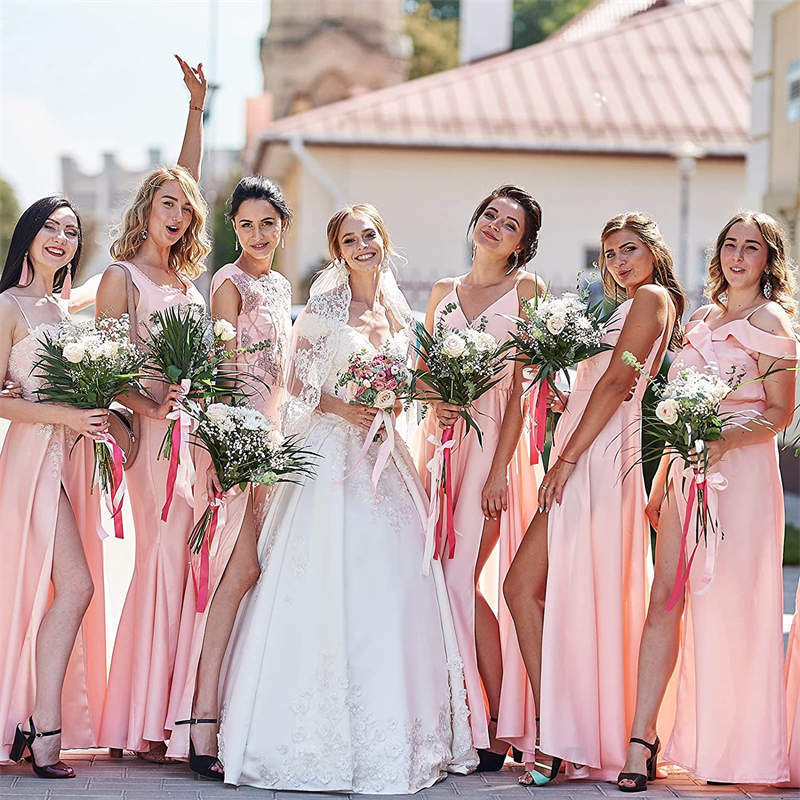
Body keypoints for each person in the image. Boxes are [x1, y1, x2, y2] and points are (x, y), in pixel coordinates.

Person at [217, 204, 476, 792]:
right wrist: (344, 407)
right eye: (350, 239)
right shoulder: (325, 307)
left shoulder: (401, 311)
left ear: (384, 241)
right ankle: (310, 735)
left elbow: (413, 382)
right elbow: (294, 385)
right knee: (327, 581)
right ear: (338, 250)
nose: (362, 246)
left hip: (386, 458)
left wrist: (414, 399)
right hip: (331, 455)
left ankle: (397, 731)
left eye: (370, 236)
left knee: (394, 583)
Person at [617, 211, 797, 790]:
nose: (737, 256)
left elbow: (779, 414)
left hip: (739, 480)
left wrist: (724, 439)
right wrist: (664, 471)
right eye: (729, 245)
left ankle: (736, 750)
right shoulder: (700, 317)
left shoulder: (772, 320)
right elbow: (676, 407)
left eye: (751, 247)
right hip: (683, 476)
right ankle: (642, 741)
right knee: (664, 601)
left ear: (768, 259)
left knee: (731, 611)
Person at [504, 212, 685, 784]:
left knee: (537, 586)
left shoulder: (653, 297)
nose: (619, 262)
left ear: (653, 251)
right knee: (525, 588)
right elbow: (594, 381)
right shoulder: (625, 305)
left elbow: (616, 384)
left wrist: (567, 458)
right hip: (586, 441)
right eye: (609, 254)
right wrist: (564, 397)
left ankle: (562, 735)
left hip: (599, 457)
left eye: (629, 249)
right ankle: (560, 725)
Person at [96, 57, 212, 761]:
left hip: (196, 434)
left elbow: (188, 177)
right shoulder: (120, 277)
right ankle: (139, 718)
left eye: (186, 208)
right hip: (148, 437)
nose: (179, 213)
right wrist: (146, 405)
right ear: (146, 208)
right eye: (166, 203)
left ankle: (171, 713)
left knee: (188, 560)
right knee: (162, 557)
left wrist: (197, 110)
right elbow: (105, 368)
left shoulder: (186, 276)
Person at [165, 176, 294, 777]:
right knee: (235, 570)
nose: (257, 233)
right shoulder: (227, 283)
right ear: (232, 228)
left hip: (275, 443)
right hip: (236, 441)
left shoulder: (282, 285)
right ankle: (200, 724)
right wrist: (222, 449)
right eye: (246, 223)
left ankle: (231, 713)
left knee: (258, 574)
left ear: (282, 228)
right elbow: (218, 375)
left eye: (268, 222)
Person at [413, 185, 543, 768]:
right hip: (441, 448)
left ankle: (493, 721)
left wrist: (499, 471)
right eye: (489, 215)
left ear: (523, 245)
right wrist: (433, 399)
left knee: (463, 576)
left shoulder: (528, 292)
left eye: (508, 224)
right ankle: (461, 711)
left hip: (493, 449)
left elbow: (522, 391)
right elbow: (417, 377)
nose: (493, 226)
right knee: (439, 576)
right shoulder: (442, 294)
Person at [0, 196, 109, 777]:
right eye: (50, 227)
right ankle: (43, 729)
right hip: (30, 461)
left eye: (70, 231)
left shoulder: (65, 311)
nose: (61, 238)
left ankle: (34, 723)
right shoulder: (9, 307)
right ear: (28, 234)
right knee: (77, 585)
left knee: (68, 589)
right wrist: (65, 416)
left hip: (67, 461)